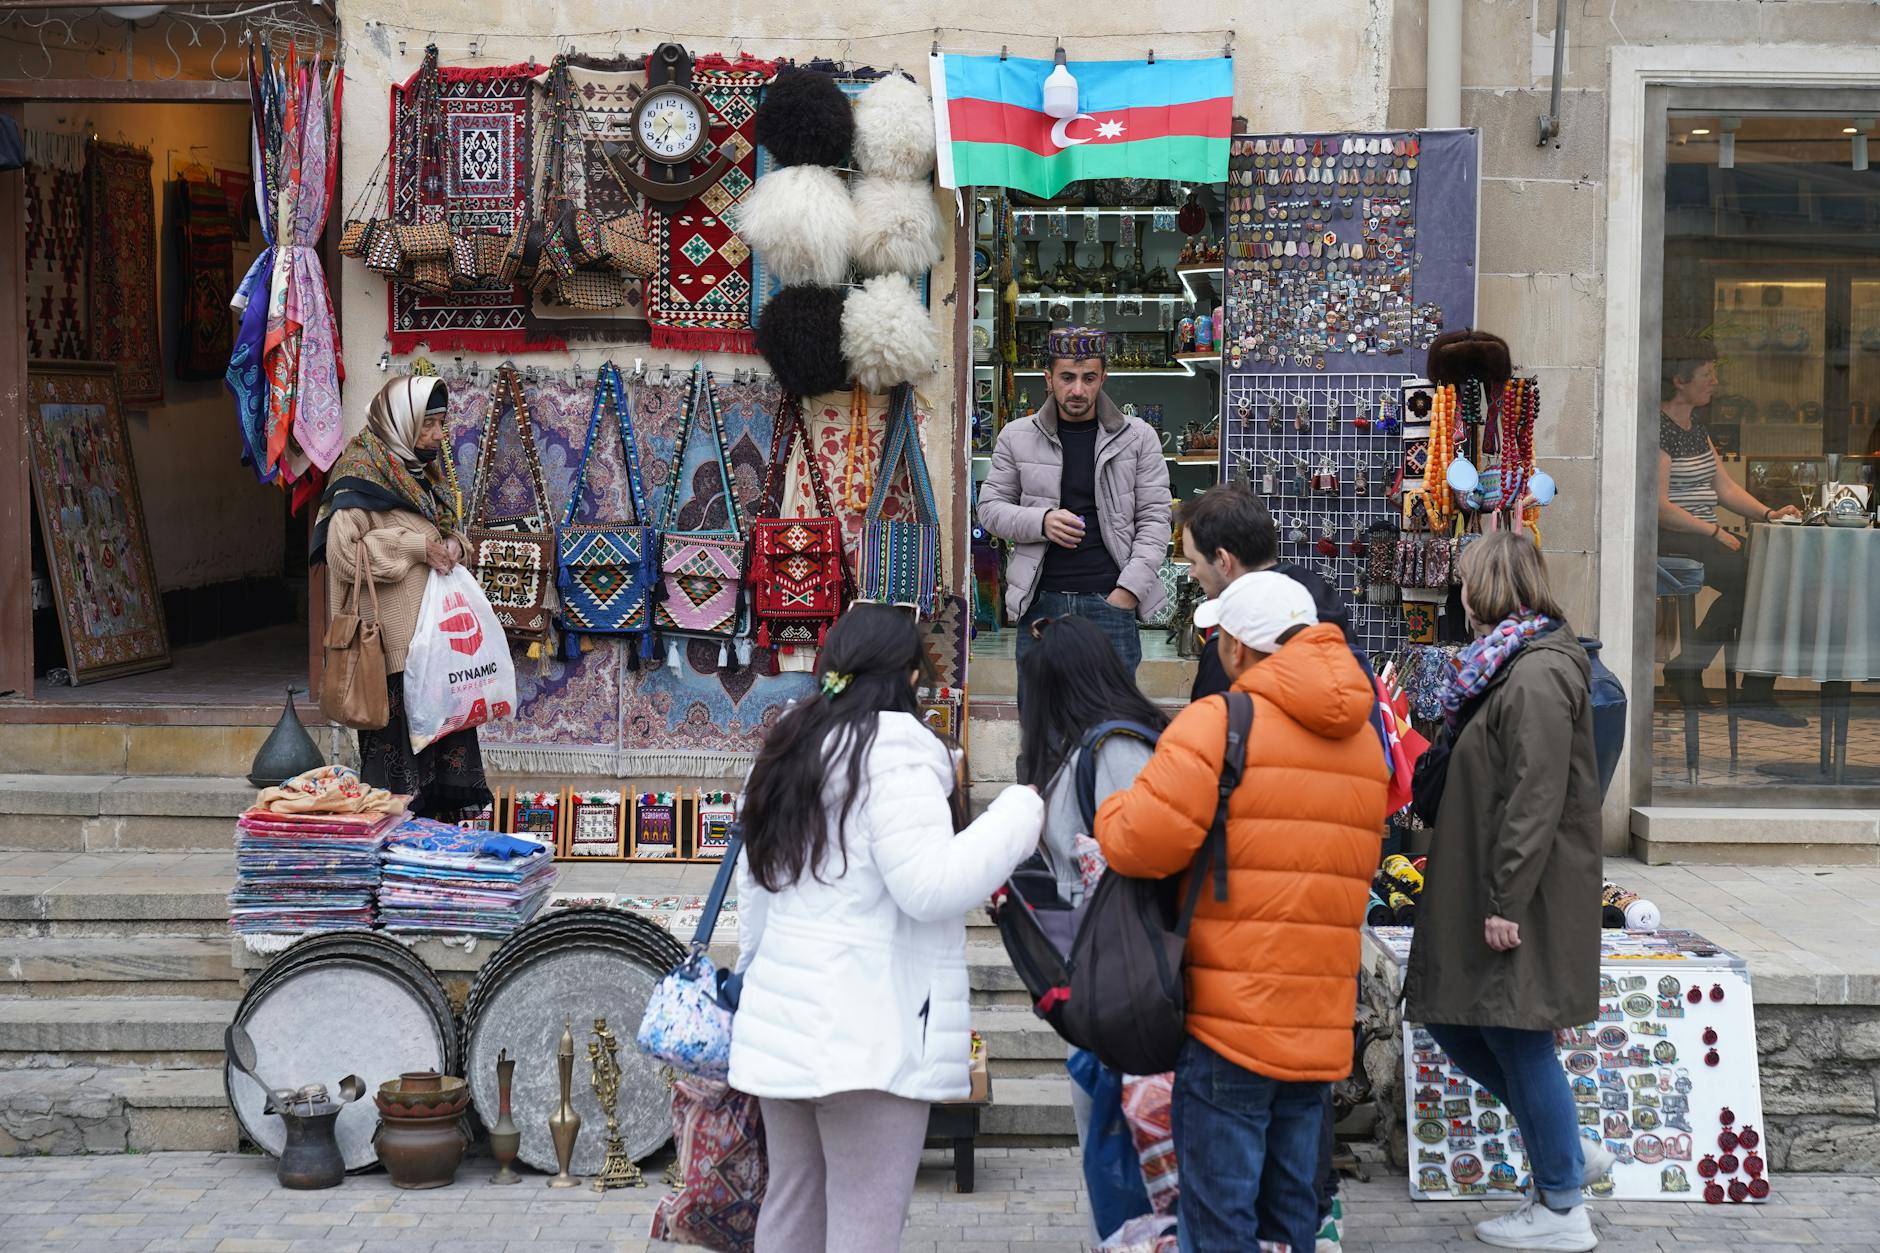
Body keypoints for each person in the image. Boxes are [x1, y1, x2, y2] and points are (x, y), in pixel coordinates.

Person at [727, 604, 1045, 1252]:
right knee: (865, 1220)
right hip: (866, 1030)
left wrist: (759, 985)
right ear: (906, 673)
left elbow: (753, 896)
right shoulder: (895, 751)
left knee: (791, 1204)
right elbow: (927, 885)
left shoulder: (789, 745)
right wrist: (1020, 810)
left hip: (781, 1019)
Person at [1096, 573, 1389, 1253]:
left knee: (1220, 1214)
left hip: (1233, 1014)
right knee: (1293, 1215)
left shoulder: (1221, 722)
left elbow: (1137, 839)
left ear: (1234, 647)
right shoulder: (1363, 739)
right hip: (1319, 1019)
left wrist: (1110, 807)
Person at [1404, 532, 1605, 1252]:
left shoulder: (1536, 674)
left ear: (1486, 588)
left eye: (1463, 581)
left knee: (1517, 1036)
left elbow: (1536, 794)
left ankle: (1561, 1204)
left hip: (1526, 892)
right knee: (1461, 1021)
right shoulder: (1510, 666)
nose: (1457, 594)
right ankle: (1566, 1152)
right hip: (1492, 880)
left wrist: (1506, 902)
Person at [1178, 483, 1356, 1252]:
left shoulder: (1229, 705)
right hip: (1318, 983)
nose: (1191, 577)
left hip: (1238, 981)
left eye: (1192, 565)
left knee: (1222, 1205)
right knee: (1292, 1199)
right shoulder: (1354, 710)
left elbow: (1149, 833)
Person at [1016, 613, 1171, 1243]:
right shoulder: (1088, 747)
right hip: (1100, 971)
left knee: (1122, 1141)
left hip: (1124, 976)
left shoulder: (1114, 750)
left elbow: (1136, 854)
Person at [310, 376, 492, 822]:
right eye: (427, 424)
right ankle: (397, 864)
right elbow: (342, 554)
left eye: (441, 423)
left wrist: (453, 546)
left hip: (431, 656)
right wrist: (414, 547)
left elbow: (442, 529)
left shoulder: (415, 473)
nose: (436, 435)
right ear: (400, 422)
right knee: (398, 784)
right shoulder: (360, 475)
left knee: (439, 772)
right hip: (388, 657)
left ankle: (432, 864)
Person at [977, 325, 1172, 696]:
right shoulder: (1015, 435)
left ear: (1104, 378)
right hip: (1041, 603)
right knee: (1041, 729)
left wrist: (1127, 593)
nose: (1078, 390)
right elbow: (989, 508)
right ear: (1048, 378)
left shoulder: (1138, 437)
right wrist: (1042, 521)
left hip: (1110, 602)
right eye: (1067, 377)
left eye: (1089, 378)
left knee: (1114, 726)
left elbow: (1155, 520)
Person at [1657, 340, 1803, 725]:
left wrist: (1769, 512)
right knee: (1759, 581)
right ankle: (1749, 692)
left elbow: (1724, 488)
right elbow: (1659, 509)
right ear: (1679, 381)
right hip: (1677, 535)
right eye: (1707, 374)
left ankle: (1692, 669)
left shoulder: (1695, 427)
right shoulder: (1657, 429)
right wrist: (1713, 531)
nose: (1715, 382)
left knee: (1763, 579)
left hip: (1703, 534)